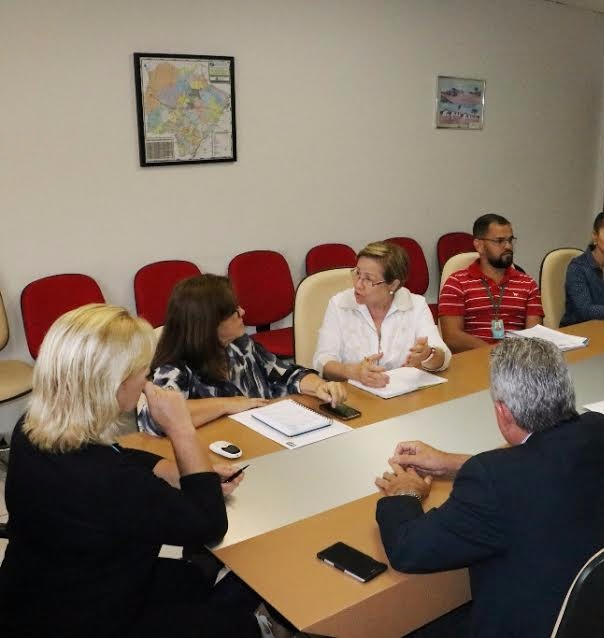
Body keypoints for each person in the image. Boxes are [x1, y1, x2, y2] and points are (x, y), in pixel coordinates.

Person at [0, 304, 262, 637]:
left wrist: (174, 471)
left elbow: (116, 455)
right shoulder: (108, 482)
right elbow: (208, 525)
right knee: (237, 625)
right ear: (114, 384)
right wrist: (182, 429)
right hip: (89, 619)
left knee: (191, 577)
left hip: (35, 593)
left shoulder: (32, 428)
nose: (147, 379)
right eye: (143, 370)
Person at [374, 337, 604, 637]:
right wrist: (448, 462)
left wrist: (405, 492)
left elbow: (408, 549)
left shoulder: (493, 481)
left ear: (503, 412)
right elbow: (537, 468)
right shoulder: (603, 429)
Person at [138, 274, 345, 435]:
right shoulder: (175, 367)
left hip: (264, 442)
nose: (243, 312)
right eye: (234, 311)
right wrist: (229, 404)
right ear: (210, 323)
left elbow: (287, 374)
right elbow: (158, 418)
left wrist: (319, 386)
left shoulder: (240, 346)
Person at [313, 241, 450, 387]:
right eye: (357, 273)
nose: (358, 284)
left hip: (403, 396)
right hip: (354, 395)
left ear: (393, 285)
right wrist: (353, 371)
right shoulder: (339, 304)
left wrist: (428, 354)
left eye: (368, 279)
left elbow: (443, 358)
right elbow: (322, 360)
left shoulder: (415, 306)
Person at [438, 213, 544, 353]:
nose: (508, 247)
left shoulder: (528, 283)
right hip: (473, 362)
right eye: (499, 241)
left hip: (517, 364)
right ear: (479, 245)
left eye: (510, 240)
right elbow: (452, 337)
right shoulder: (456, 283)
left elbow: (534, 335)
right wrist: (496, 352)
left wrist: (509, 358)